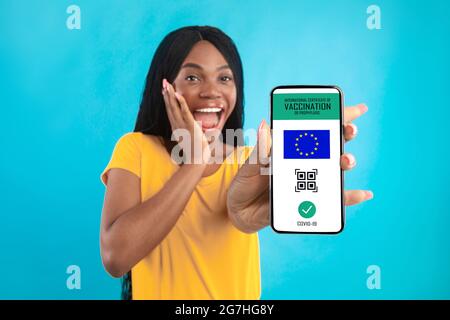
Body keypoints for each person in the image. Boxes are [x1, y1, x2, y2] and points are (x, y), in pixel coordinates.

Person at [99, 25, 373, 300]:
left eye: (225, 79)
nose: (211, 92)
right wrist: (195, 162)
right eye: (193, 77)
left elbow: (271, 205)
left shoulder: (250, 161)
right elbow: (115, 258)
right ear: (166, 87)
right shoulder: (136, 149)